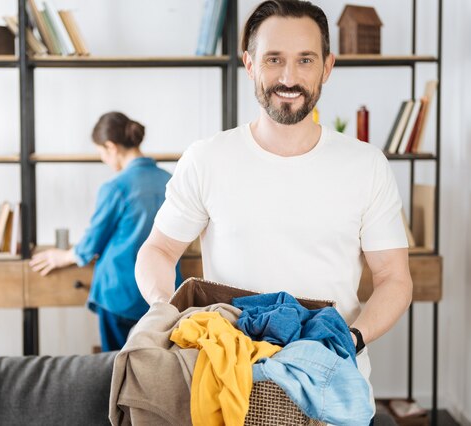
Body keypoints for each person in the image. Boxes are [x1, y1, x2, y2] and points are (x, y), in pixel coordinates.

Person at [135, 0, 412, 415]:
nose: (289, 77)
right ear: (249, 64)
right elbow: (157, 251)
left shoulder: (366, 165)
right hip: (228, 387)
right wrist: (172, 316)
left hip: (332, 391)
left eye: (305, 60)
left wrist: (349, 338)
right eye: (273, 60)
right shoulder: (207, 158)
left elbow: (394, 278)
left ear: (327, 66)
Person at [30, 111, 182, 352]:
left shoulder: (116, 187)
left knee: (115, 365)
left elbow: (92, 243)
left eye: (101, 152)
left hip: (119, 292)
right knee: (158, 365)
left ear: (111, 147)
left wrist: (62, 257)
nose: (104, 159)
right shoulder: (171, 181)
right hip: (164, 293)